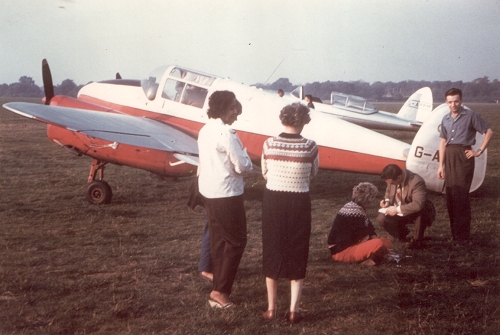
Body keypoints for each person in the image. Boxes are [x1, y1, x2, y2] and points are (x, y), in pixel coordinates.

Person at [261, 102, 319, 323]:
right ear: (305, 121)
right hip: (299, 200)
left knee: (272, 248)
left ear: (282, 119)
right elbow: (313, 173)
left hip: (273, 200)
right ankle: (294, 310)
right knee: (298, 249)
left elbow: (265, 172)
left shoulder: (269, 144)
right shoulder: (311, 146)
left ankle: (271, 308)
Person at [197, 91, 253, 308]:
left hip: (209, 191)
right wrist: (247, 159)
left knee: (219, 240)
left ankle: (218, 287)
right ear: (222, 109)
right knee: (236, 241)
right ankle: (220, 292)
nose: (235, 112)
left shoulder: (204, 130)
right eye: (232, 108)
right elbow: (242, 166)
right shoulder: (226, 133)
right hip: (227, 194)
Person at [437, 88, 493, 245]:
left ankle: (463, 237)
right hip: (449, 156)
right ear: (446, 102)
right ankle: (454, 234)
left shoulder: (471, 115)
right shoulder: (446, 118)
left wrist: (479, 151)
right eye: (450, 102)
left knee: (461, 195)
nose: (453, 104)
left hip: (464, 155)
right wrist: (441, 166)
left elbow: (489, 132)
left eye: (456, 101)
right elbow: (442, 142)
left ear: (461, 101)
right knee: (450, 195)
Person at [328, 182, 391, 265]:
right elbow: (361, 236)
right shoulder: (355, 212)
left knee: (384, 242)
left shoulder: (356, 207)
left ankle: (372, 258)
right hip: (342, 251)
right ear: (369, 198)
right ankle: (370, 260)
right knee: (379, 243)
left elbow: (369, 226)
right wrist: (375, 242)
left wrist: (373, 237)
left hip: (345, 247)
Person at [377, 164, 433, 249]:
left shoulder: (416, 181)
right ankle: (401, 235)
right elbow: (388, 192)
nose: (390, 184)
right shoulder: (392, 178)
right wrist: (387, 202)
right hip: (398, 209)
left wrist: (397, 210)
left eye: (392, 183)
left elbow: (418, 204)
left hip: (414, 211)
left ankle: (417, 241)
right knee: (381, 218)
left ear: (399, 177)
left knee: (423, 209)